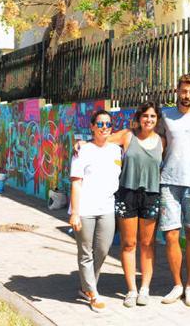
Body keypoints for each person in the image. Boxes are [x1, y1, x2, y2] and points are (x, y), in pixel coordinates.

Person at [156, 74, 190, 306]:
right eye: (184, 91)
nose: (187, 95)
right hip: (168, 182)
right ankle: (177, 284)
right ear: (177, 91)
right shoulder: (165, 115)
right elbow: (147, 135)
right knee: (170, 235)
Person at [112, 102, 165, 307]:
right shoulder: (127, 136)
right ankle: (131, 290)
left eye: (152, 117)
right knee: (128, 244)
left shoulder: (162, 141)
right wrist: (83, 143)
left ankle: (145, 288)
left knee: (147, 244)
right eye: (145, 116)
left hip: (151, 196)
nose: (149, 120)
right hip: (127, 194)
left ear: (157, 120)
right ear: (139, 118)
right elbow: (102, 140)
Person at [69, 109, 121, 312]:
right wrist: (75, 212)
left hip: (107, 208)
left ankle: (85, 286)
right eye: (100, 124)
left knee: (102, 249)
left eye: (108, 124)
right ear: (92, 127)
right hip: (85, 209)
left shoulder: (116, 150)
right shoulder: (82, 151)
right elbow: (76, 183)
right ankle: (92, 293)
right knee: (85, 252)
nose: (104, 127)